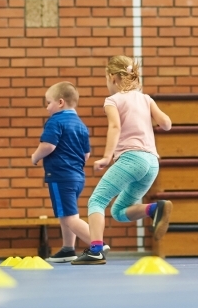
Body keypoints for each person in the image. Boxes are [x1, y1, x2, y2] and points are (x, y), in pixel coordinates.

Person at [71, 56, 173, 265]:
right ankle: (154, 209)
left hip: (131, 159)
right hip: (151, 163)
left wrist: (108, 157)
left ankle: (96, 250)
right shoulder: (145, 98)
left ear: (112, 77)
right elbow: (166, 124)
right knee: (118, 211)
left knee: (96, 201)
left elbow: (115, 127)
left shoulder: (113, 100)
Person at [31, 82, 98, 262]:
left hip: (60, 176)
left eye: (48, 103)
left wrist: (35, 156)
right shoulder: (80, 124)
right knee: (68, 213)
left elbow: (48, 145)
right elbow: (86, 154)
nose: (47, 108)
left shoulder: (55, 120)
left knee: (68, 217)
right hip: (77, 177)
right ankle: (68, 249)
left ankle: (97, 245)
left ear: (60, 102)